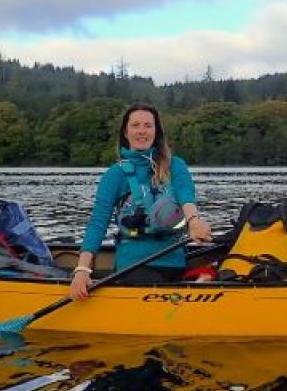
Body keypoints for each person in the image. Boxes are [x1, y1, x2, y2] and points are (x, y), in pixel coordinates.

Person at [70, 104, 213, 300]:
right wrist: (82, 269)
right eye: (135, 125)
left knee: (212, 274)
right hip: (133, 266)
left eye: (148, 125)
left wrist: (194, 221)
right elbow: (98, 223)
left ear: (156, 131)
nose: (142, 131)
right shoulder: (115, 174)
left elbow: (185, 194)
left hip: (175, 262)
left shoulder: (175, 165)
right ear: (126, 132)